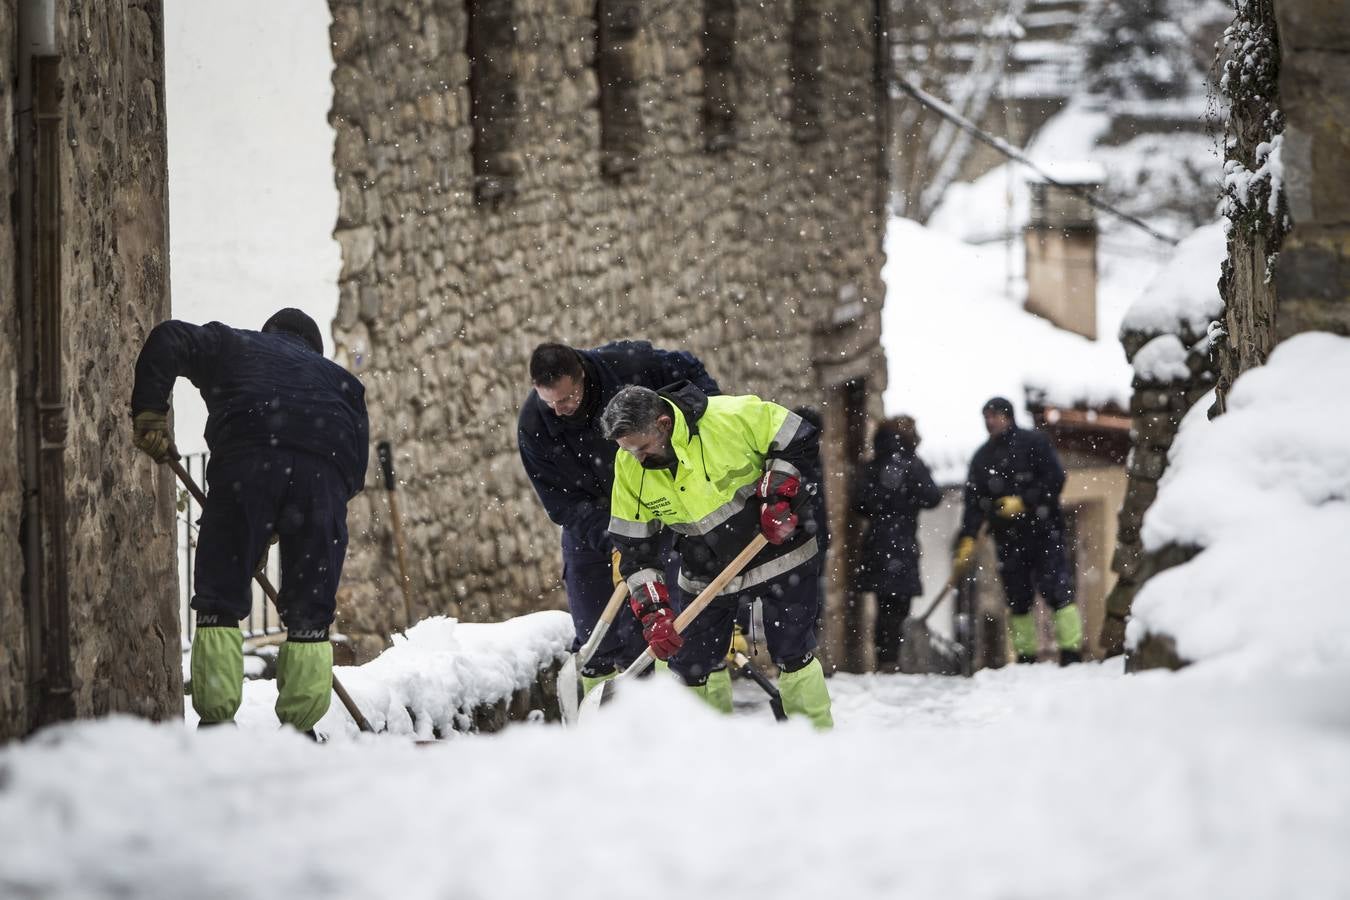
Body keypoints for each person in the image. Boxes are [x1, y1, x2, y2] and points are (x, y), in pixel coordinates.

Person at [129, 309, 369, 733]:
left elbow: (169, 340)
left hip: (246, 464)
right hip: (324, 478)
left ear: (270, 336)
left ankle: (217, 721)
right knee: (310, 611)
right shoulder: (345, 384)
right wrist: (299, 514)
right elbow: (354, 473)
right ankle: (301, 729)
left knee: (220, 597)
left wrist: (149, 411)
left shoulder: (236, 346)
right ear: (313, 350)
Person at [600, 382, 833, 729]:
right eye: (629, 450)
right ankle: (693, 753)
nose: (638, 459)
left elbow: (797, 436)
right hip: (705, 569)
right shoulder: (630, 466)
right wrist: (654, 612)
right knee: (687, 664)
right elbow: (634, 549)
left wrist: (777, 497)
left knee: (792, 652)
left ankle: (815, 741)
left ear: (664, 424)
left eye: (643, 448)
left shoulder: (728, 418)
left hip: (777, 552)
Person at [517, 341, 719, 695]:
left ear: (580, 373)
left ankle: (681, 707)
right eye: (550, 402)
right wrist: (615, 539)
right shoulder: (535, 424)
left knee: (673, 623)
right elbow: (561, 504)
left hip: (657, 505)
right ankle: (601, 721)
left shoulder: (630, 366)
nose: (560, 410)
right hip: (591, 523)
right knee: (593, 626)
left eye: (567, 398)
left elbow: (693, 380)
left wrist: (700, 435)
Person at [952, 397, 1083, 665]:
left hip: (1044, 531)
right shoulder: (982, 458)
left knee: (1057, 590)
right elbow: (973, 502)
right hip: (1008, 539)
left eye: (995, 415)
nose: (990, 421)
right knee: (1017, 597)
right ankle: (1026, 655)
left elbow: (1055, 479)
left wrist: (1025, 501)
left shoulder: (1034, 444)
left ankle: (1071, 651)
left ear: (1008, 416)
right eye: (986, 417)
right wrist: (968, 536)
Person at [851, 415, 942, 670]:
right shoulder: (912, 464)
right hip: (902, 542)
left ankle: (885, 659)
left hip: (877, 542)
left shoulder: (873, 465)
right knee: (898, 607)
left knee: (884, 607)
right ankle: (891, 660)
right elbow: (932, 497)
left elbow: (860, 503)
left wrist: (882, 502)